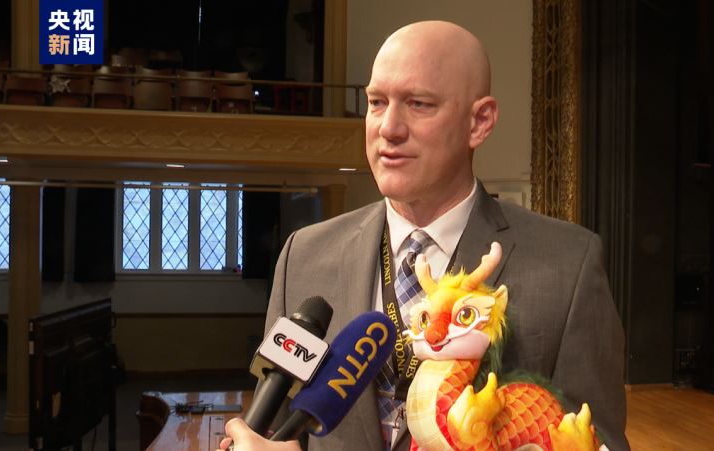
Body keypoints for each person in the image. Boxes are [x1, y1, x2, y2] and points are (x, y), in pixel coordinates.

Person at [219, 20, 629, 451]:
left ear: (480, 122)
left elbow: (597, 438)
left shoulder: (569, 264)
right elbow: (275, 430)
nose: (388, 128)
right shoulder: (304, 255)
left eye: (418, 104)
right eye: (377, 102)